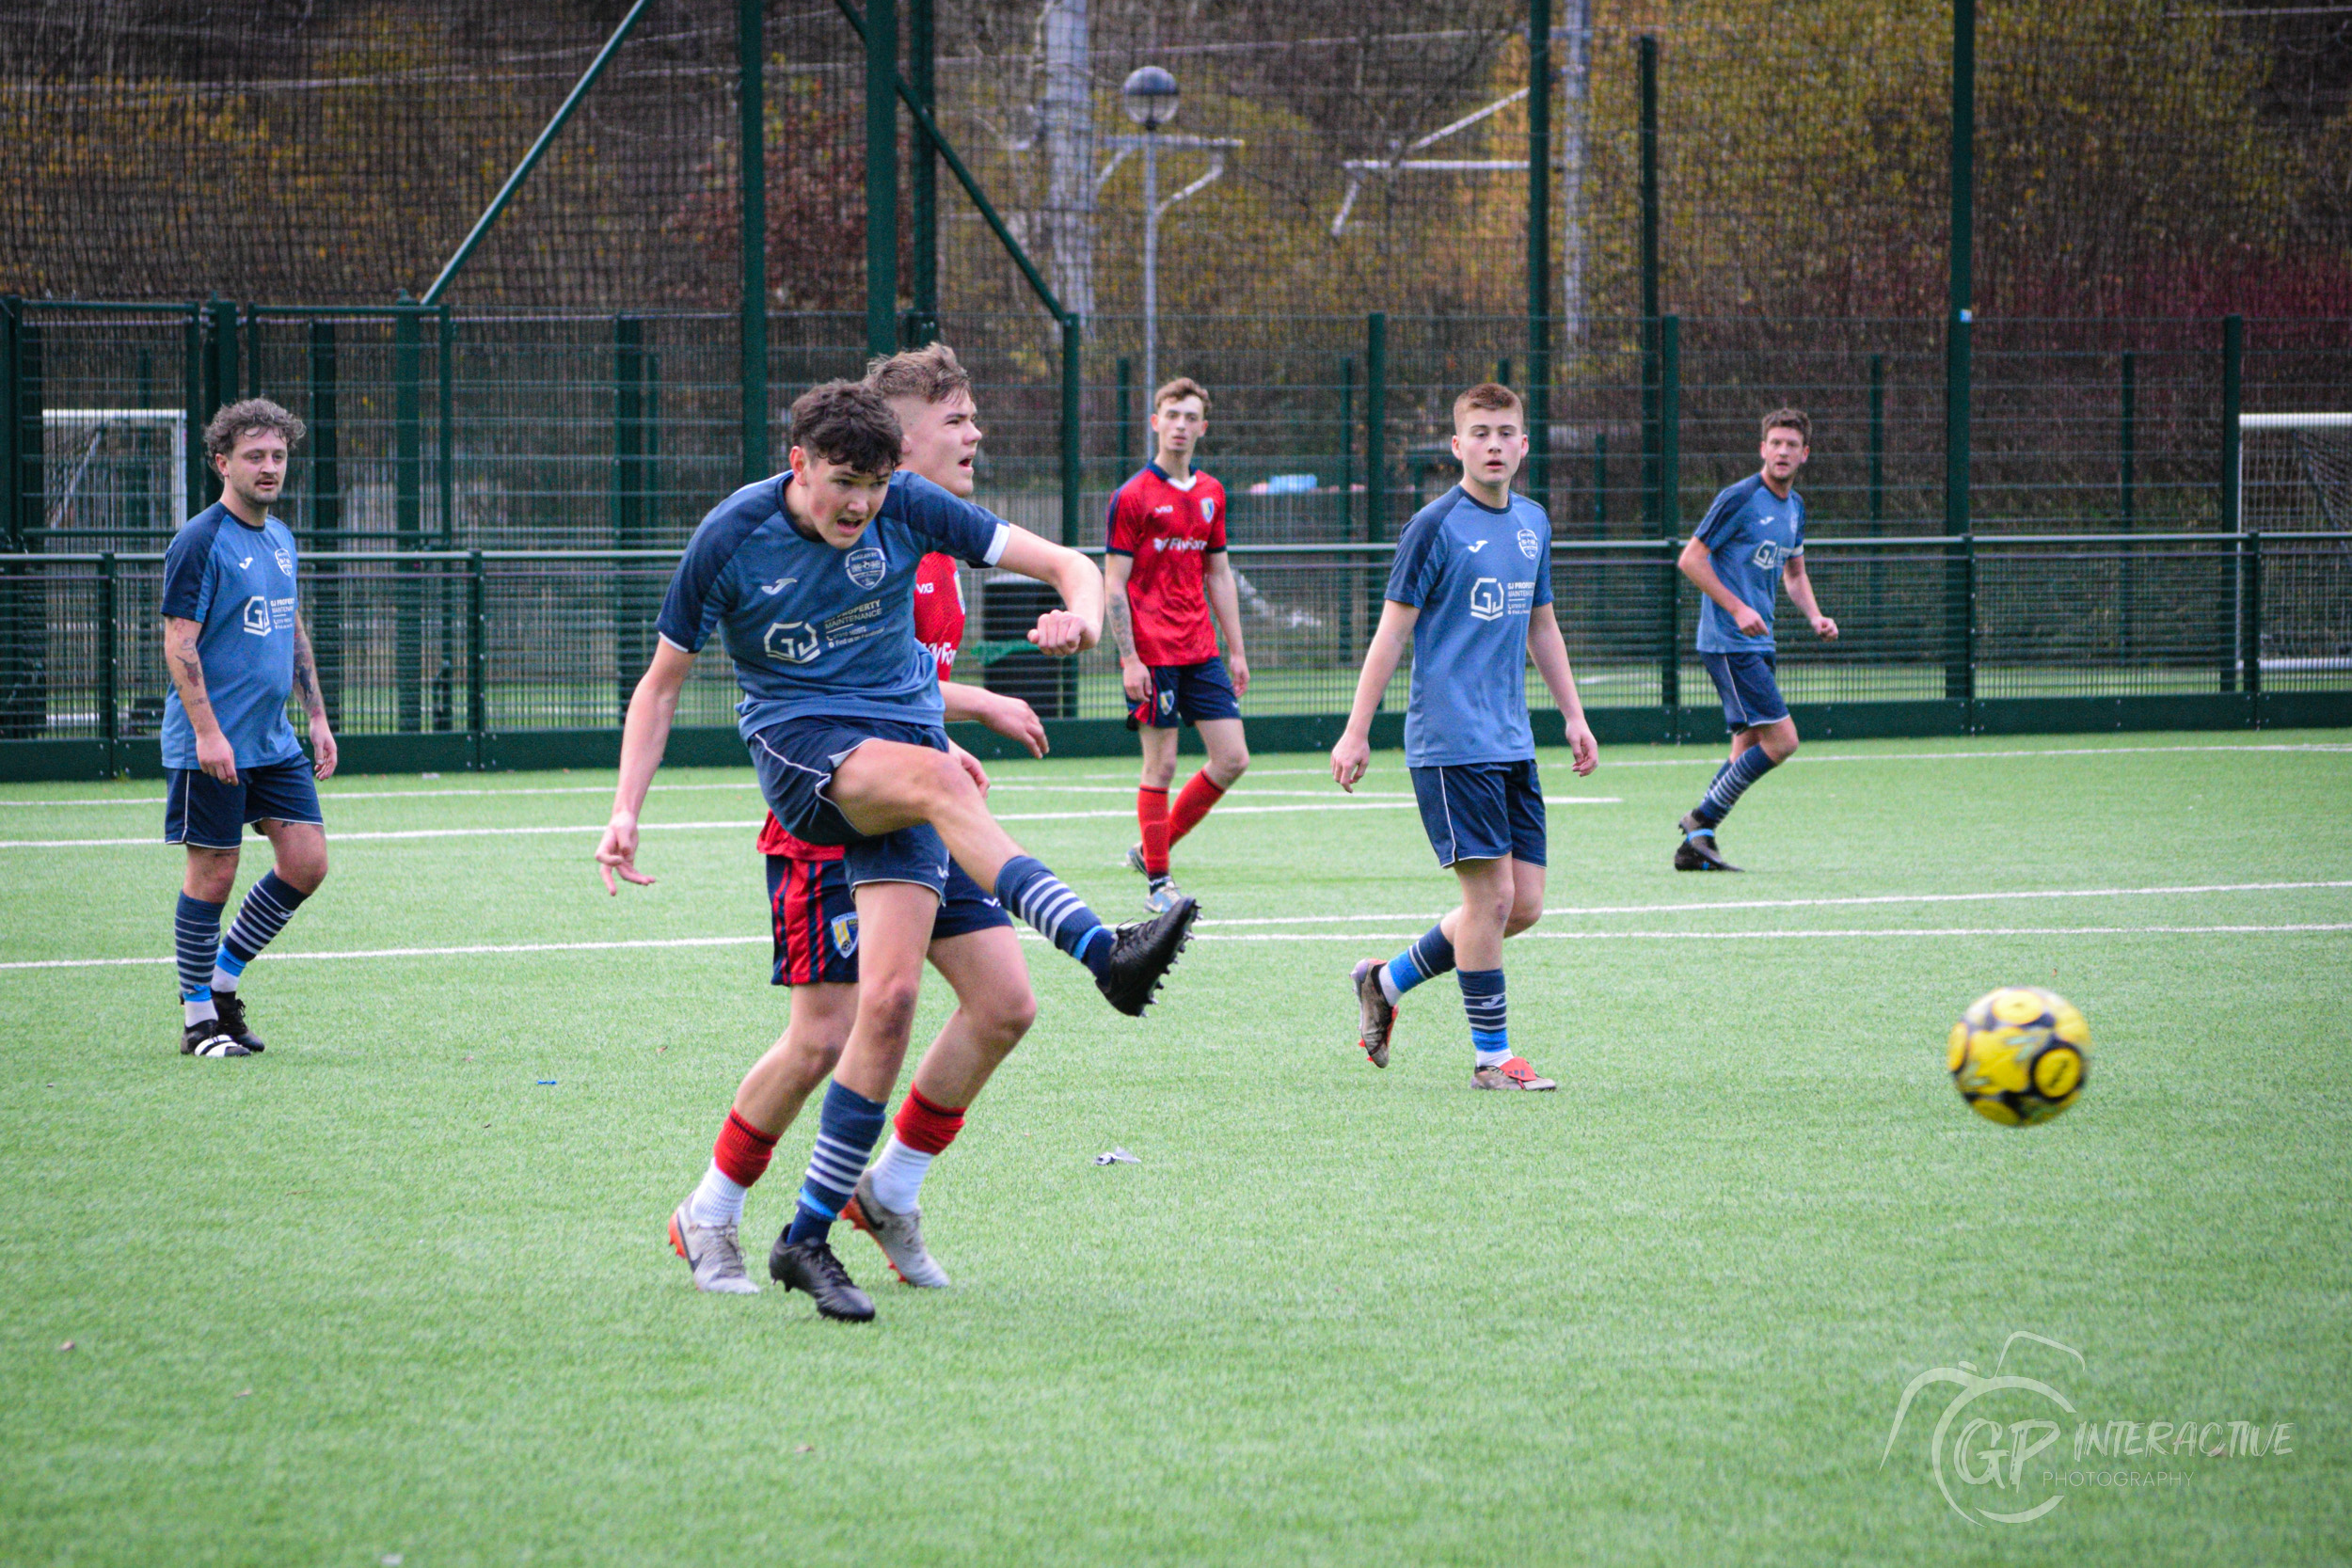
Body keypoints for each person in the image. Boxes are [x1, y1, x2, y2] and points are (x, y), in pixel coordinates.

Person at [600, 380, 1198, 1323]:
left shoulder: (909, 506)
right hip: (809, 764)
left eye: (877, 485)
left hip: (907, 766)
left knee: (964, 1003)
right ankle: (1101, 949)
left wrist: (1082, 613)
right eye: (844, 482)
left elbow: (1065, 562)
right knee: (825, 1028)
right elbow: (661, 685)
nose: (862, 505)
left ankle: (846, 1212)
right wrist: (625, 807)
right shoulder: (730, 537)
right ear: (797, 464)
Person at [686, 344, 1051, 1304]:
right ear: (896, 430)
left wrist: (948, 719)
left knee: (1004, 1003)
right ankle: (712, 1208)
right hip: (833, 806)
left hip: (916, 791)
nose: (974, 433)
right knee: (828, 1033)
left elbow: (890, 670)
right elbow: (817, 675)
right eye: (955, 419)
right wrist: (945, 729)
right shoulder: (830, 524)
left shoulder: (927, 537)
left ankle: (888, 1189)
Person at [1328, 383, 1597, 1090]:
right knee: (1490, 903)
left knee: (1524, 904)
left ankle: (1385, 982)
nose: (1495, 445)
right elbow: (1391, 633)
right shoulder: (1435, 526)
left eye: (1507, 432)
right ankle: (1491, 1059)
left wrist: (1572, 714)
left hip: (1512, 741)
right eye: (1480, 433)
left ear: (1524, 445)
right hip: (1450, 745)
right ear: (1456, 447)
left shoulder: (1534, 522)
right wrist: (1357, 732)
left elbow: (1542, 625)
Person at [160, 399, 338, 1059]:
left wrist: (316, 715)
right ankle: (198, 1018)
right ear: (221, 462)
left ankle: (222, 982)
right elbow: (180, 642)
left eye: (278, 456)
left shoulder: (281, 537)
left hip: (273, 739)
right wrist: (208, 733)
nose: (269, 468)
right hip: (213, 742)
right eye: (254, 456)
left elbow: (290, 625)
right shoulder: (200, 541)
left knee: (307, 861)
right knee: (214, 870)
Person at [1671, 406, 1838, 872]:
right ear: (1762, 448)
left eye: (1792, 445)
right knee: (1783, 741)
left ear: (1804, 454)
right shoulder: (1739, 498)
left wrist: (1815, 616)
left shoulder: (1795, 507)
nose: (1782, 452)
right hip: (1728, 641)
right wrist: (1737, 607)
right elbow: (1691, 560)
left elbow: (1795, 573)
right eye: (1775, 443)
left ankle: (1696, 846)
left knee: (1744, 751)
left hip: (1759, 643)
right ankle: (1700, 818)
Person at [1105, 377, 1250, 912]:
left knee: (1232, 758)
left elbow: (1219, 575)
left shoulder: (1212, 494)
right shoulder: (1133, 496)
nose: (1181, 426)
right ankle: (1159, 885)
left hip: (1201, 650)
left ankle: (1151, 850)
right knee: (1160, 766)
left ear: (1202, 428)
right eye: (1173, 415)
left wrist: (1236, 650)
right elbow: (1113, 582)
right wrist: (1129, 657)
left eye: (1191, 417)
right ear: (1156, 422)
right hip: (1153, 655)